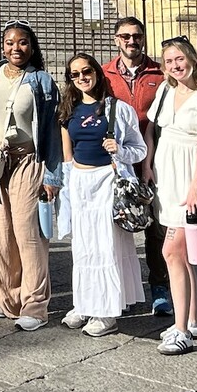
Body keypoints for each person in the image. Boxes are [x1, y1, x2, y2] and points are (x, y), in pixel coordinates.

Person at [57, 52, 147, 337]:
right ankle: (84, 302)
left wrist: (119, 150)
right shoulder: (68, 109)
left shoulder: (117, 109)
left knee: (106, 245)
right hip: (80, 181)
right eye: (75, 74)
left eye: (87, 71)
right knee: (83, 246)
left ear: (96, 72)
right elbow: (66, 154)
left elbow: (140, 149)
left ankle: (106, 312)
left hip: (107, 180)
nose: (82, 77)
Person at [0, 21, 61, 332]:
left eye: (23, 42)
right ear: (2, 46)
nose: (17, 48)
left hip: (28, 161)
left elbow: (52, 131)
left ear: (32, 46)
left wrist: (52, 175)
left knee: (29, 233)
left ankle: (35, 304)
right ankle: (7, 299)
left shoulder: (41, 81)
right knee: (0, 235)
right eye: (11, 42)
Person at [145, 36, 197, 355]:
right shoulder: (165, 90)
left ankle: (180, 331)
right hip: (165, 172)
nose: (175, 66)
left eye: (179, 59)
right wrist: (148, 164)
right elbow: (151, 129)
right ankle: (193, 320)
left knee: (172, 253)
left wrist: (194, 187)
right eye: (168, 61)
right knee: (184, 253)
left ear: (192, 58)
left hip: (190, 176)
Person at [101, 15, 171, 315]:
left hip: (155, 159)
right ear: (117, 40)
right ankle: (122, 287)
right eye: (125, 36)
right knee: (118, 226)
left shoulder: (160, 72)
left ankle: (159, 286)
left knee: (157, 227)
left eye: (137, 36)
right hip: (119, 162)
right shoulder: (104, 74)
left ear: (144, 38)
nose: (132, 41)